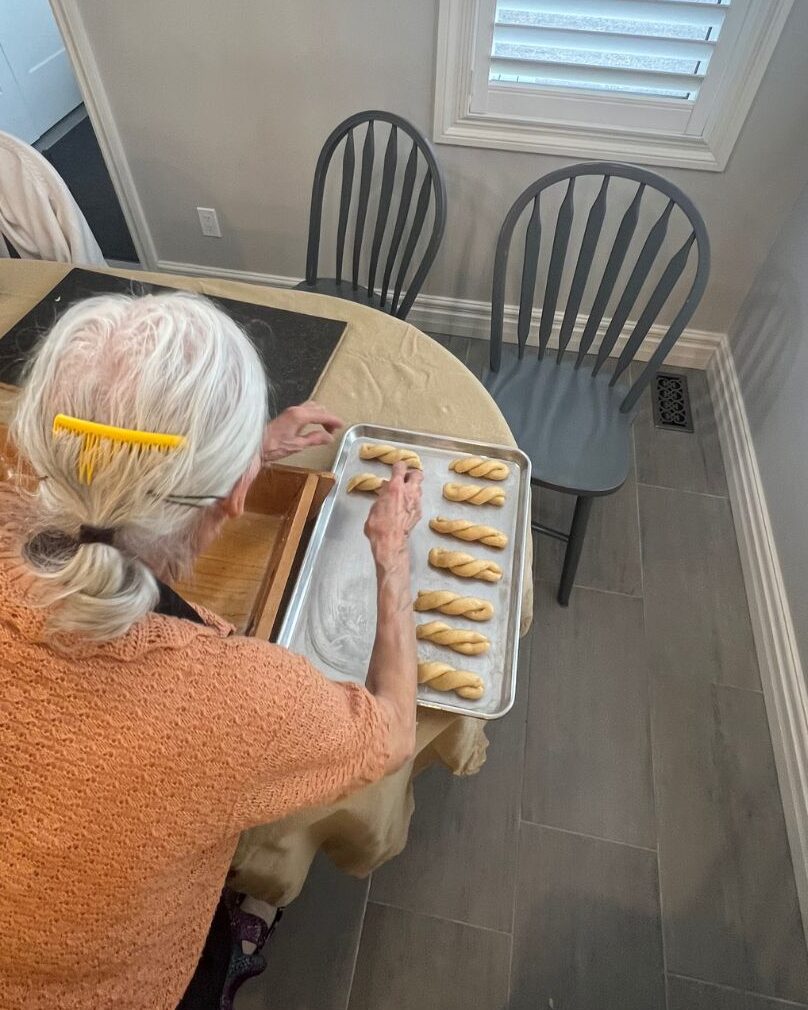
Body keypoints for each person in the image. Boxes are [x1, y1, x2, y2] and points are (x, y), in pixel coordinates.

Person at [0, 292, 422, 1010]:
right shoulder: (240, 700)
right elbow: (389, 732)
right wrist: (392, 559)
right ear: (235, 498)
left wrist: (244, 451)